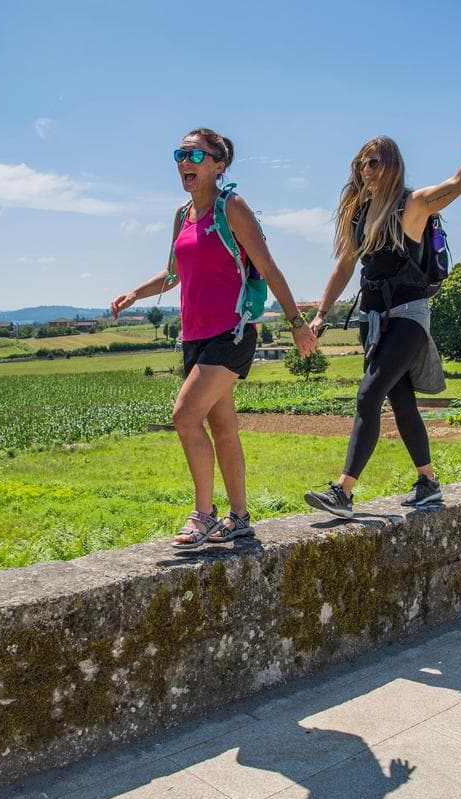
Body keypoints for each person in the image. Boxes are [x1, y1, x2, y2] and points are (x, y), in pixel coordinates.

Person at [303, 108, 461, 518]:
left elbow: (458, 184)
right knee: (401, 403)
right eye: (360, 163)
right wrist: (322, 313)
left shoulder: (412, 205)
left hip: (407, 317)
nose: (364, 169)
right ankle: (429, 482)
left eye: (372, 161)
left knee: (368, 396)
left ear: (390, 165)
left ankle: (344, 492)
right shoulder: (358, 215)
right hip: (374, 322)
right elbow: (345, 266)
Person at [111, 128, 317, 547]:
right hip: (195, 337)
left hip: (233, 331)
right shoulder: (181, 215)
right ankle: (239, 516)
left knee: (184, 416)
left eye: (195, 155)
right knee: (222, 427)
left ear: (219, 165)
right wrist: (136, 292)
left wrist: (296, 323)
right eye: (179, 155)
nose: (185, 162)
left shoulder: (232, 207)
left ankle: (203, 515)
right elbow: (173, 274)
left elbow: (268, 266)